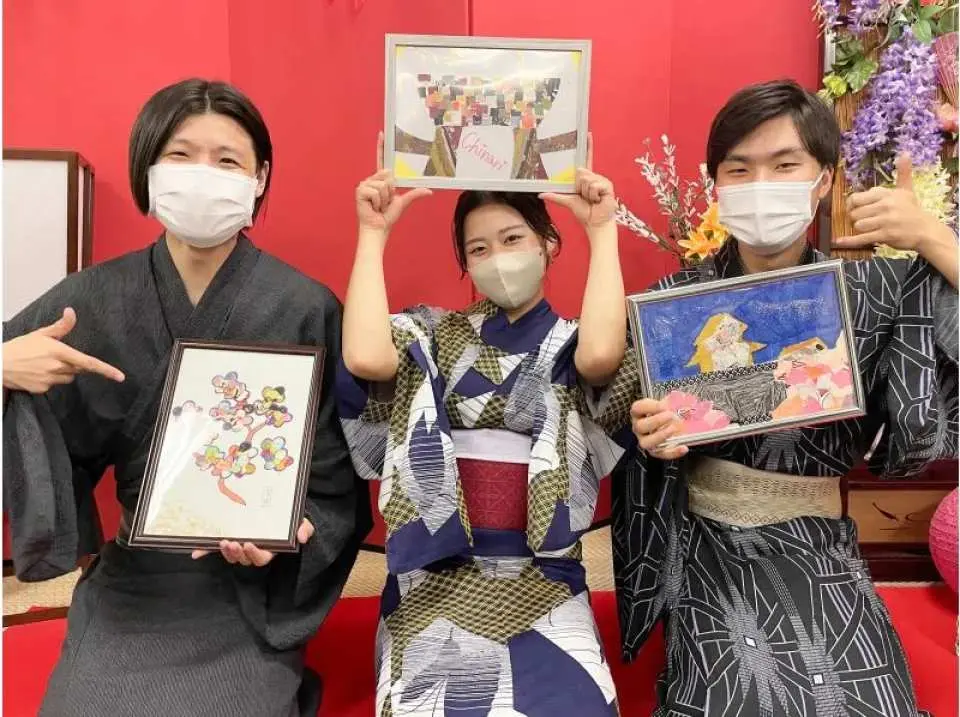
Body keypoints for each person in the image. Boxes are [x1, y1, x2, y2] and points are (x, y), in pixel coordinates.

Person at [2, 78, 371, 717]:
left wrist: (291, 530)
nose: (204, 175)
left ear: (259, 178)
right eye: (180, 155)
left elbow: (335, 478)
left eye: (227, 160)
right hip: (134, 580)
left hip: (250, 586)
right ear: (148, 169)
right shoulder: (92, 298)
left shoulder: (305, 306)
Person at [614, 79, 958, 716]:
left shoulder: (872, 289)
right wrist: (648, 439)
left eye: (784, 165)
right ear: (715, 184)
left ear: (823, 180)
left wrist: (934, 239)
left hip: (820, 538)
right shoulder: (677, 300)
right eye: (738, 169)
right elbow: (618, 425)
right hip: (709, 540)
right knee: (734, 695)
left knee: (866, 702)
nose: (759, 184)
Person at [336, 134, 636, 716]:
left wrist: (603, 232)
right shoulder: (435, 333)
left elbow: (601, 358)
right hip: (438, 573)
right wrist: (372, 236)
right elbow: (368, 359)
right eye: (477, 249)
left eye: (512, 238)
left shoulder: (571, 340)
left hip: (544, 576)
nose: (496, 258)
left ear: (549, 244)